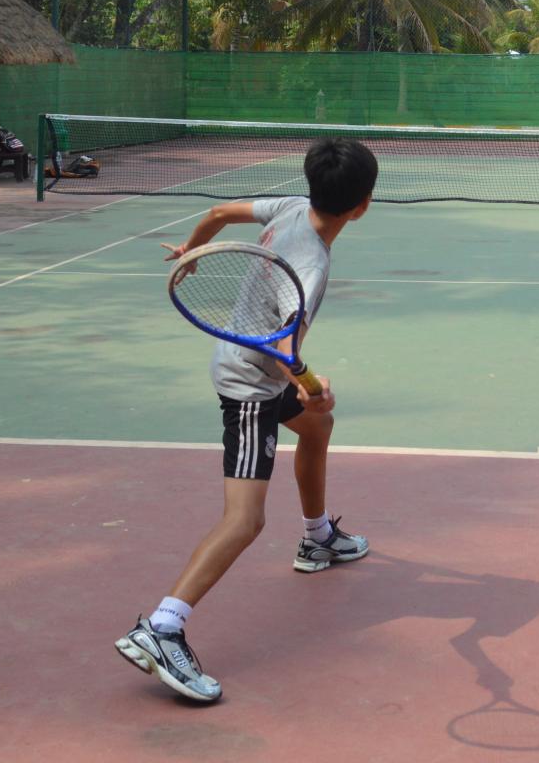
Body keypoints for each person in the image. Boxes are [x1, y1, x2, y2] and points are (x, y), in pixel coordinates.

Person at [114, 138, 379, 703]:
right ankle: (162, 626)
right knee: (244, 520)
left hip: (257, 372)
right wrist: (314, 387)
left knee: (316, 428)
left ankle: (317, 539)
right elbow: (284, 350)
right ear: (363, 205)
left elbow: (215, 213)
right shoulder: (310, 267)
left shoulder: (288, 207)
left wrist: (191, 251)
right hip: (250, 386)